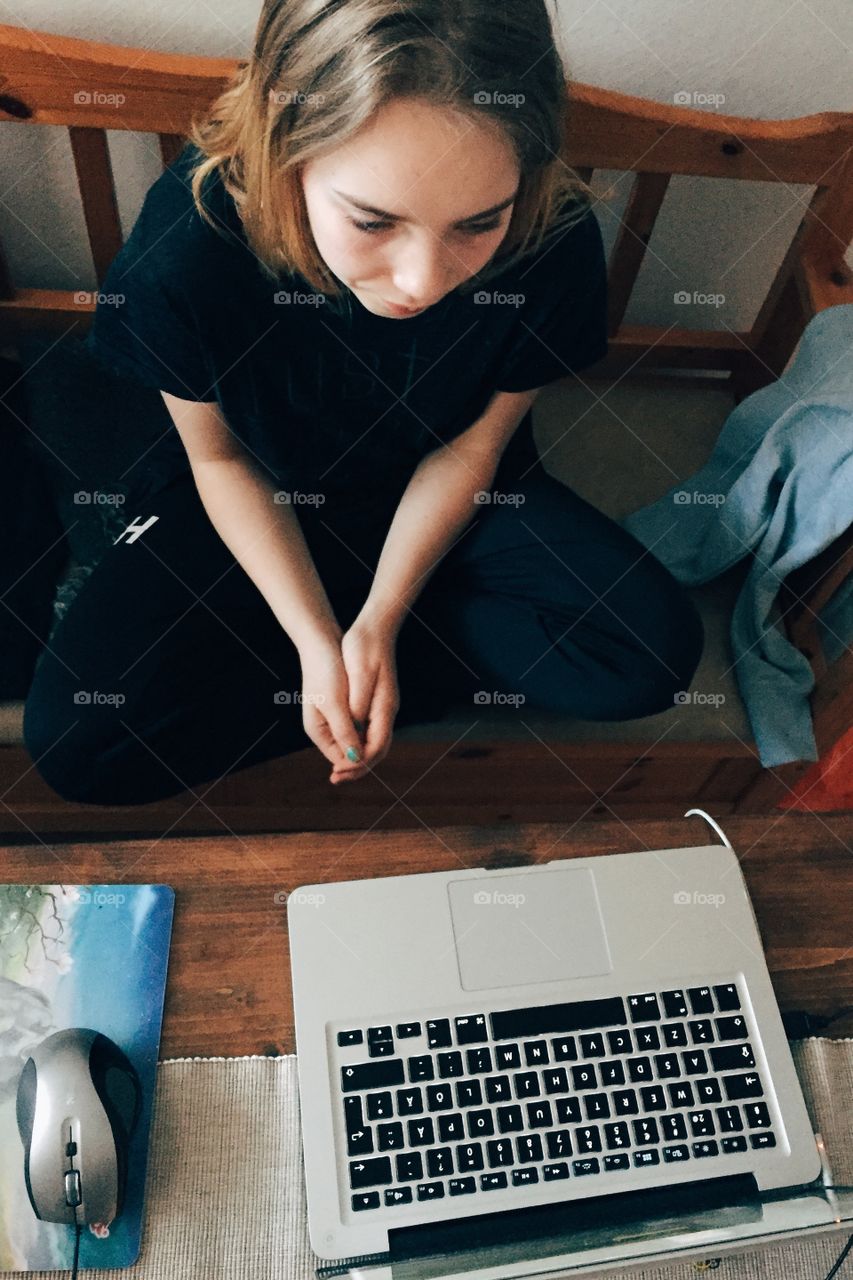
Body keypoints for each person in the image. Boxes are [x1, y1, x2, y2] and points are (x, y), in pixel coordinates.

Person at [23, 0, 703, 806]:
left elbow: (474, 451)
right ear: (290, 157)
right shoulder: (189, 248)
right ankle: (348, 649)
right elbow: (217, 457)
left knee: (644, 658)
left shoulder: (547, 234)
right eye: (372, 222)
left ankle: (364, 643)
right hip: (251, 489)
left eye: (476, 223)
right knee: (81, 747)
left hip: (444, 482)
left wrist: (379, 616)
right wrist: (316, 642)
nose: (421, 280)